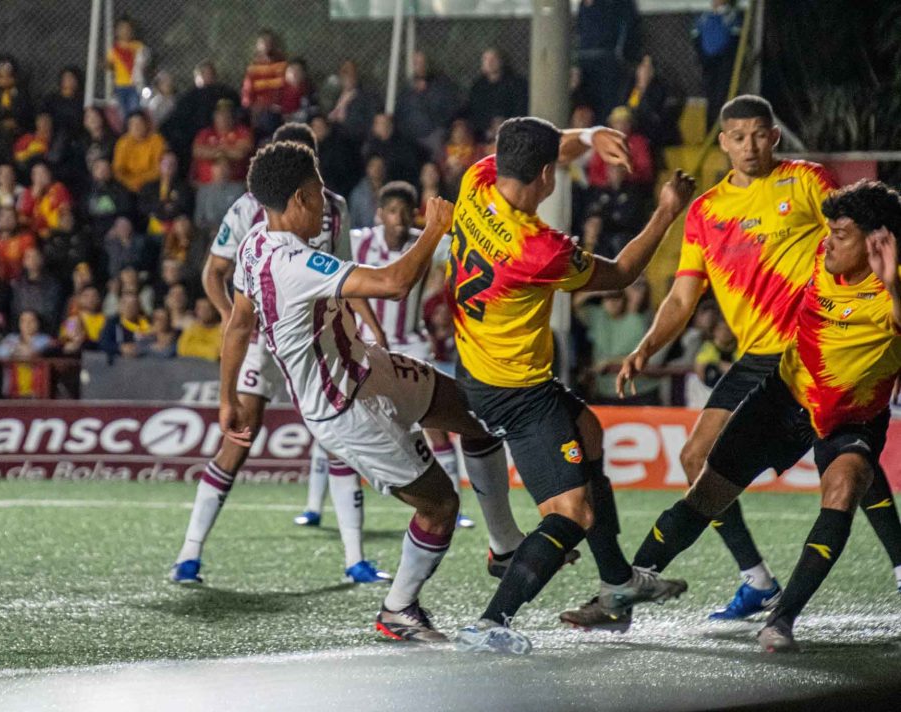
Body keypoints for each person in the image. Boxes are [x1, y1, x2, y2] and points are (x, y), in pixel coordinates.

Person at [600, 95, 901, 622]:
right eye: (738, 137)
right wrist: (647, 346)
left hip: (813, 344)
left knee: (849, 460)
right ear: (723, 143)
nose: (750, 146)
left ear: (774, 136)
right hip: (757, 355)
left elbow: (855, 233)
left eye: (759, 134)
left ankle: (897, 563)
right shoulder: (706, 211)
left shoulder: (806, 181)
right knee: (696, 458)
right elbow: (682, 297)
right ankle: (756, 579)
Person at [220, 140, 504, 642]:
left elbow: (240, 324)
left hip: (369, 369)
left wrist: (227, 398)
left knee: (475, 414)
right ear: (301, 199)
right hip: (348, 409)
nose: (325, 204)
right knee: (440, 506)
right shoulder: (293, 262)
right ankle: (398, 609)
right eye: (318, 192)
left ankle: (505, 547)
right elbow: (394, 283)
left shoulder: (254, 245)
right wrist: (434, 229)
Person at [448, 117, 694, 655]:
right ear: (546, 175)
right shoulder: (539, 250)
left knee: (589, 431)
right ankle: (491, 622)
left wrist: (588, 136)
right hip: (517, 392)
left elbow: (544, 148)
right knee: (572, 513)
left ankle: (617, 582)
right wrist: (666, 211)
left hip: (475, 364)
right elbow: (623, 272)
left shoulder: (477, 180)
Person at [172, 123, 391, 587]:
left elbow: (347, 274)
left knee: (338, 441)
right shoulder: (248, 208)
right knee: (239, 438)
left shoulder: (334, 207)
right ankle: (189, 555)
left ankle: (355, 560)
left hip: (317, 340)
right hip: (263, 342)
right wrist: (234, 317)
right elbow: (214, 272)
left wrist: (371, 327)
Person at [349, 180, 475, 528]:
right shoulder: (359, 242)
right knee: (343, 421)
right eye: (393, 211)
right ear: (380, 214)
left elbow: (463, 251)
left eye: (406, 212)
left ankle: (457, 508)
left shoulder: (427, 242)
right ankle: (315, 506)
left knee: (437, 425)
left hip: (412, 343)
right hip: (366, 344)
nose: (400, 219)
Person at [693, 0, 743, 130]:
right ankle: (711, 131)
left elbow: (735, 41)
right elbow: (696, 38)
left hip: (724, 65)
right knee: (711, 98)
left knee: (722, 97)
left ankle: (722, 130)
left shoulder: (731, 16)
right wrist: (704, 58)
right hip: (709, 64)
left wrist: (724, 59)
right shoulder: (704, 16)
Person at [465, 48, 529, 137]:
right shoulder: (478, 87)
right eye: (486, 59)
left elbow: (521, 107)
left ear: (501, 61)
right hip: (484, 132)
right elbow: (474, 110)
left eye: (493, 59)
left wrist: (506, 123)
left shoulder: (517, 83)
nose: (490, 63)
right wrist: (487, 127)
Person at [191, 101, 252, 186]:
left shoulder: (242, 132)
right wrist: (223, 152)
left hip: (237, 184)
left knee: (223, 165)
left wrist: (214, 152)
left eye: (227, 115)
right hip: (204, 185)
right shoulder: (205, 133)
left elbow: (241, 153)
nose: (224, 118)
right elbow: (197, 151)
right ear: (214, 117)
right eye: (220, 115)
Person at [112, 111, 166, 194]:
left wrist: (140, 181)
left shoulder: (156, 140)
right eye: (132, 124)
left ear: (146, 124)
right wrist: (131, 183)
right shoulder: (123, 142)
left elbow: (158, 168)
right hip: (128, 184)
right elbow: (118, 170)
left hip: (151, 183)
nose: (136, 127)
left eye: (139, 123)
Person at [107, 16, 150, 120]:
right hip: (119, 85)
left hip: (134, 85)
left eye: (127, 29)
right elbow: (110, 65)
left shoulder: (138, 46)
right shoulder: (114, 49)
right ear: (116, 31)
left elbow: (144, 62)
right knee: (122, 112)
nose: (125, 32)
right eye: (122, 29)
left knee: (134, 110)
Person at [18, 162, 72, 238]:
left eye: (44, 172)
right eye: (38, 174)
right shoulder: (28, 193)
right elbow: (23, 217)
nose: (42, 176)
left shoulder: (58, 188)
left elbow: (65, 209)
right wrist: (34, 197)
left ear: (49, 174)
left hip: (55, 230)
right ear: (33, 178)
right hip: (35, 233)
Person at [98, 292, 150, 358]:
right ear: (120, 306)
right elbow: (103, 343)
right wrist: (120, 348)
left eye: (133, 305)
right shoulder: (112, 323)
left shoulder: (147, 323)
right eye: (125, 304)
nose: (129, 308)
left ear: (139, 307)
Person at [349, 154, 386, 229]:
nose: (377, 169)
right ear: (367, 168)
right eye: (373, 166)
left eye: (380, 166)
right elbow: (353, 223)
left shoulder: (389, 191)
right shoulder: (357, 194)